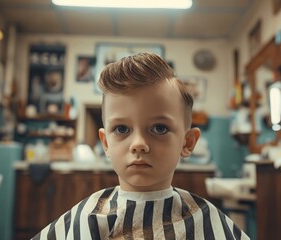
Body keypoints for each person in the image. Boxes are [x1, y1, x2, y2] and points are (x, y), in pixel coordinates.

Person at [32, 52, 249, 240]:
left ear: (187, 142)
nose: (138, 145)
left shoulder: (206, 219)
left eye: (159, 129)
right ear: (106, 142)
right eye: (122, 129)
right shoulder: (86, 219)